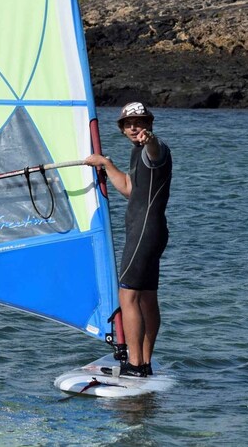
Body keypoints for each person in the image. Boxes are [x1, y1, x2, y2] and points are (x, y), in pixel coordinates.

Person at [85, 102, 172, 378]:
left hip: (144, 233)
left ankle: (135, 363)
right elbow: (129, 189)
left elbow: (155, 150)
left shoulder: (152, 149)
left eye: (140, 122)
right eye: (129, 124)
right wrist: (106, 164)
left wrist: (152, 141)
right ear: (122, 129)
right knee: (146, 298)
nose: (134, 127)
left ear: (149, 124)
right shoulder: (138, 153)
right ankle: (144, 361)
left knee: (128, 295)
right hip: (151, 231)